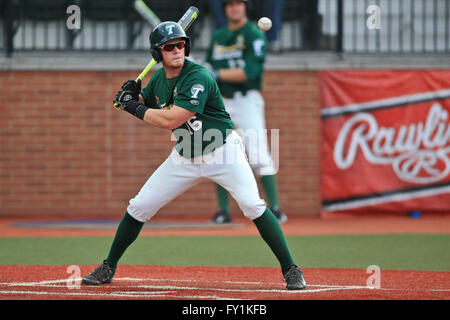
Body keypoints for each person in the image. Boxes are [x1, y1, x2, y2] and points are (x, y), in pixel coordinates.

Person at [81, 21, 306, 290]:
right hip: (185, 156)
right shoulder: (159, 81)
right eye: (169, 46)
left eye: (180, 44)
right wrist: (132, 95)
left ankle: (291, 269)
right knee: (139, 206)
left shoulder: (199, 75)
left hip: (223, 152)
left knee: (252, 205)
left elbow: (173, 118)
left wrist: (132, 108)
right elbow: (146, 101)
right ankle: (108, 266)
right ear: (158, 54)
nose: (177, 50)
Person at [206, 0, 287, 224]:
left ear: (244, 7)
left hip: (246, 99)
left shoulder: (254, 34)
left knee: (259, 153)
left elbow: (249, 73)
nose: (235, 8)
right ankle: (223, 211)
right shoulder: (218, 35)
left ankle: (276, 209)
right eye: (230, 4)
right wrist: (209, 74)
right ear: (225, 9)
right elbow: (212, 67)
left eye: (239, 3)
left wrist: (218, 74)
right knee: (218, 153)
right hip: (222, 101)